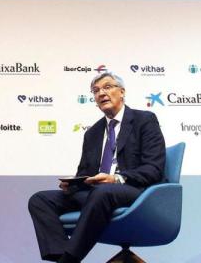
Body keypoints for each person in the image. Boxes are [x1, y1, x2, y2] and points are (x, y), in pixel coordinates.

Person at [28, 73, 165, 263]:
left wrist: (116, 178)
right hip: (95, 193)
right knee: (40, 200)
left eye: (107, 87)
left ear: (122, 92)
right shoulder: (92, 133)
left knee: (103, 192)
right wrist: (73, 184)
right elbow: (84, 173)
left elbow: (153, 168)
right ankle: (61, 256)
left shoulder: (144, 120)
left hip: (134, 190)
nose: (101, 93)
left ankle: (69, 259)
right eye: (96, 91)